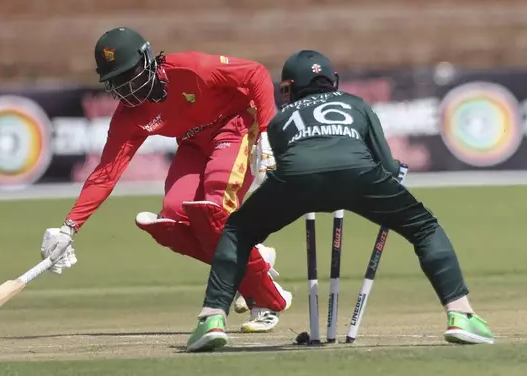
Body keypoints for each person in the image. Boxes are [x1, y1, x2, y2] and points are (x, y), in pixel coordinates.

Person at [185, 49, 495, 352]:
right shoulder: (357, 105)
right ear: (333, 80)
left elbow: (291, 164)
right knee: (424, 228)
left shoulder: (280, 121)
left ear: (289, 88)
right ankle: (461, 315)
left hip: (297, 181)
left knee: (238, 232)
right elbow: (386, 166)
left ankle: (212, 319)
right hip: (360, 177)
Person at [39, 27, 292, 332]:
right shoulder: (129, 117)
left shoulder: (190, 69)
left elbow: (255, 73)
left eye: (129, 77)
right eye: (117, 83)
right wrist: (69, 227)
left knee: (214, 209)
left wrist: (267, 131)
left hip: (235, 126)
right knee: (173, 218)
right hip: (193, 142)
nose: (127, 90)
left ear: (147, 60)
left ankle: (266, 301)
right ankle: (253, 260)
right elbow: (107, 172)